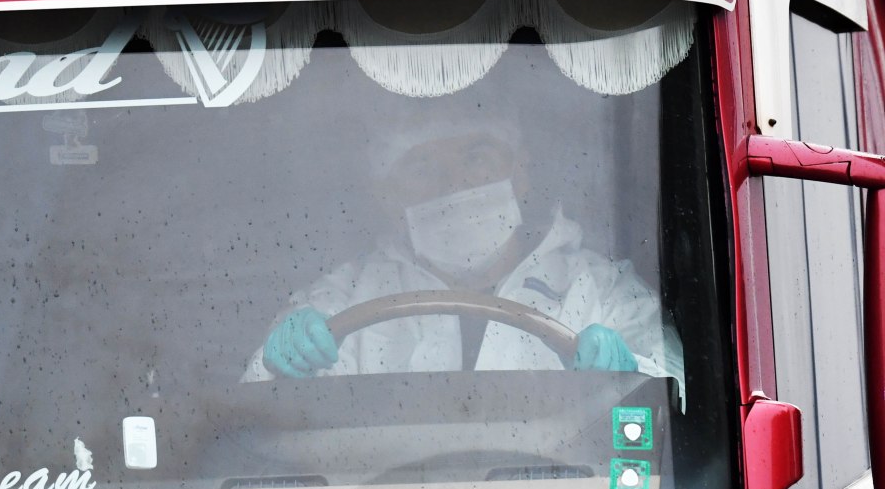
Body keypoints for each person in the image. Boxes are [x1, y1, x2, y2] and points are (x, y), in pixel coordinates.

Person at [242, 111, 684, 402]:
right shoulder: (343, 299)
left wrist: (632, 377)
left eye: (478, 157)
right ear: (387, 196)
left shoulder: (599, 291)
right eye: (422, 166)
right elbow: (260, 415)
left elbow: (679, 400)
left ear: (521, 171)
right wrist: (275, 365)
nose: (455, 182)